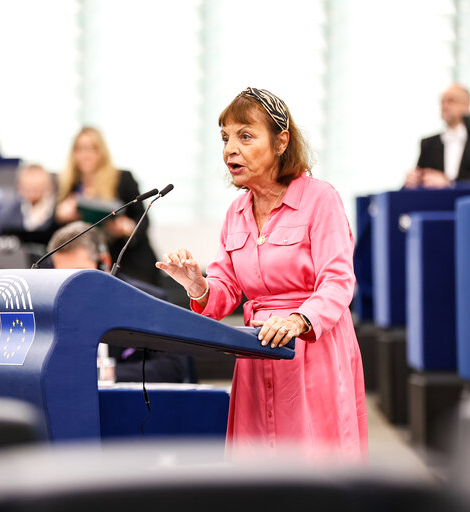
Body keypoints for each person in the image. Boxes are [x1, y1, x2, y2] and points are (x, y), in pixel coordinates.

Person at [156, 87, 367, 457]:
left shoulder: (320, 198)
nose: (229, 149)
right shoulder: (236, 211)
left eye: (245, 136)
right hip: (256, 353)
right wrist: (197, 284)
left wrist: (299, 320)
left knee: (314, 467)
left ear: (281, 141)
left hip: (311, 349)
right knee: (258, 473)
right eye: (225, 138)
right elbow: (224, 292)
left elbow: (338, 281)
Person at [48, 221, 195, 383]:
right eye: (61, 275)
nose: (70, 284)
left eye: (78, 273)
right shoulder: (55, 306)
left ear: (104, 262)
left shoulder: (147, 301)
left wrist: (104, 373)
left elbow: (172, 368)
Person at [55, 127, 159, 285]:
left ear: (101, 152)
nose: (86, 155)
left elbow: (143, 219)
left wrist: (127, 227)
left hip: (128, 260)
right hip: (87, 262)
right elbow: (55, 232)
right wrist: (61, 216)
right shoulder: (68, 184)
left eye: (92, 149)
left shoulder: (122, 179)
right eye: (81, 149)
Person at [405, 84, 470, 188]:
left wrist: (450, 183)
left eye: (451, 100)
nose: (445, 106)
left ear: (467, 105)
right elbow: (419, 180)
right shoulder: (429, 144)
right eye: (442, 101)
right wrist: (412, 180)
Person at [0, 164, 57, 244]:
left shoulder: (59, 213)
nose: (34, 191)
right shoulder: (7, 214)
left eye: (39, 187)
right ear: (20, 187)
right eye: (29, 187)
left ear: (49, 186)